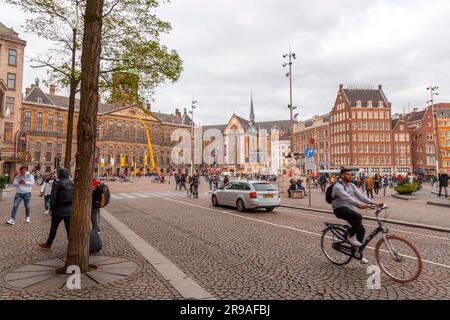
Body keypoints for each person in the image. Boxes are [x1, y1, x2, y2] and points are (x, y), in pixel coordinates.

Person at [331, 168, 382, 263]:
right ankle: (351, 236)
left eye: (351, 174)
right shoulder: (338, 186)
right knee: (358, 217)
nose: (350, 176)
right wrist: (358, 205)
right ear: (342, 176)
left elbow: (361, 196)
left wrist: (375, 203)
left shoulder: (352, 185)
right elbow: (347, 198)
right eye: (347, 174)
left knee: (362, 230)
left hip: (349, 209)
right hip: (339, 209)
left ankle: (357, 252)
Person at [38, 168, 73, 250]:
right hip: (69, 210)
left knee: (53, 228)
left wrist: (51, 209)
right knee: (69, 230)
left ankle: (48, 244)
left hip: (58, 210)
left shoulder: (57, 183)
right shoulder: (71, 183)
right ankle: (71, 246)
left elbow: (53, 197)